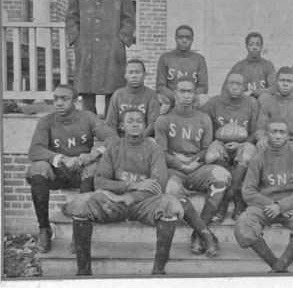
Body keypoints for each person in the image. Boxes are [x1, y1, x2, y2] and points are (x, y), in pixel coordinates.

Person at [62, 108, 184, 275]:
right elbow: (100, 180)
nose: (135, 125)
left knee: (169, 203)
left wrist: (130, 196)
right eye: (130, 121)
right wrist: (131, 187)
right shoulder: (114, 147)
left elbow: (158, 183)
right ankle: (83, 272)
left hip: (143, 204)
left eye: (139, 121)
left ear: (144, 125)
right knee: (83, 203)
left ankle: (158, 270)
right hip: (113, 203)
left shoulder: (152, 148)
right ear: (122, 126)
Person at [27, 84, 116, 254]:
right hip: (58, 173)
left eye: (64, 99)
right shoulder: (46, 121)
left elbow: (112, 138)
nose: (59, 103)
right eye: (55, 99)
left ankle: (79, 231)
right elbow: (35, 150)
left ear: (75, 100)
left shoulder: (88, 117)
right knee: (38, 168)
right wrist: (61, 159)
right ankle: (44, 229)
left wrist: (93, 154)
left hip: (82, 171)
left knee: (94, 168)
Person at [155, 79, 231, 257]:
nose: (186, 96)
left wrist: (194, 161)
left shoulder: (203, 118)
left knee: (222, 175)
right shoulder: (163, 119)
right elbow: (161, 153)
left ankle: (197, 233)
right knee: (172, 188)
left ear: (195, 95)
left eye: (190, 92)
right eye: (182, 91)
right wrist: (180, 164)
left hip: (197, 167)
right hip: (174, 170)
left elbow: (206, 148)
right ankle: (207, 235)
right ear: (175, 94)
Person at [234, 117, 293, 273]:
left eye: (282, 132)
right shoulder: (259, 157)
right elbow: (248, 191)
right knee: (244, 224)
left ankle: (277, 269)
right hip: (265, 206)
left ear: (288, 135)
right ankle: (276, 266)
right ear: (267, 134)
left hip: (290, 207)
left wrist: (283, 206)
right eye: (274, 132)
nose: (278, 136)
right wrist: (272, 204)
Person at [66, 0, 136, 115]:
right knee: (87, 91)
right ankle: (89, 125)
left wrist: (121, 41)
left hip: (112, 47)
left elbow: (129, 18)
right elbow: (71, 17)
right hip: (86, 47)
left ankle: (111, 128)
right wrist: (76, 40)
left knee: (112, 89)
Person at [203, 72, 259, 223]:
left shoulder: (252, 103)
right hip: (220, 142)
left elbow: (254, 131)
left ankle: (227, 202)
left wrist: (241, 143)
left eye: (239, 84)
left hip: (243, 143)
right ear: (225, 85)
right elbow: (204, 124)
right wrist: (216, 141)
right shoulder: (214, 102)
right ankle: (229, 201)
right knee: (213, 153)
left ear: (244, 87)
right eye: (231, 83)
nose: (234, 87)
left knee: (248, 153)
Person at [255, 67, 293, 153]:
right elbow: (261, 127)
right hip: (272, 143)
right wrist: (262, 137)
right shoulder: (267, 102)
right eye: (282, 80)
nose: (285, 84)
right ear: (276, 82)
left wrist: (292, 145)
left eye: (289, 81)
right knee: (258, 149)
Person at [156, 25, 209, 113]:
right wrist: (176, 96)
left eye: (187, 38)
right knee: (157, 99)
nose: (184, 41)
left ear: (192, 40)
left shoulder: (199, 59)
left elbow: (203, 87)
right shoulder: (165, 58)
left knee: (204, 99)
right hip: (171, 98)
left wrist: (189, 96)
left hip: (191, 98)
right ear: (176, 39)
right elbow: (160, 86)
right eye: (181, 37)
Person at [106, 59, 160, 137]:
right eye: (130, 72)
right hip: (121, 138)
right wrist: (117, 142)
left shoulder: (151, 95)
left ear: (144, 75)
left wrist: (138, 139)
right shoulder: (118, 95)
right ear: (125, 75)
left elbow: (153, 123)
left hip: (144, 138)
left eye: (138, 72)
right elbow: (110, 124)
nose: (134, 76)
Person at [221, 32, 276, 99]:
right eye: (251, 44)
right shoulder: (239, 66)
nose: (254, 47)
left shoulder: (268, 65)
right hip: (244, 103)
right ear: (246, 46)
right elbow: (225, 89)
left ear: (262, 46)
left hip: (262, 103)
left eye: (258, 44)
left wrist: (254, 92)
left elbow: (274, 88)